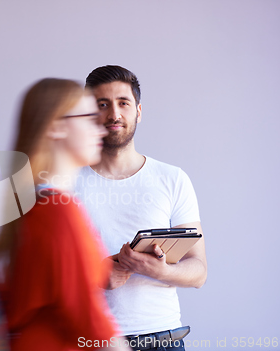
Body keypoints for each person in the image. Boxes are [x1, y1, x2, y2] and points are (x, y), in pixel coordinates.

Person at [0, 78, 130, 351]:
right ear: (57, 126)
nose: (101, 128)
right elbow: (92, 322)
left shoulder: (34, 204)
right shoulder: (57, 210)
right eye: (90, 117)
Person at [74, 66, 207, 351]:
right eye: (102, 104)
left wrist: (159, 271)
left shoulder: (173, 179)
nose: (114, 114)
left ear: (138, 111)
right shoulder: (64, 183)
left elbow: (198, 271)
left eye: (123, 103)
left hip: (162, 340)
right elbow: (38, 270)